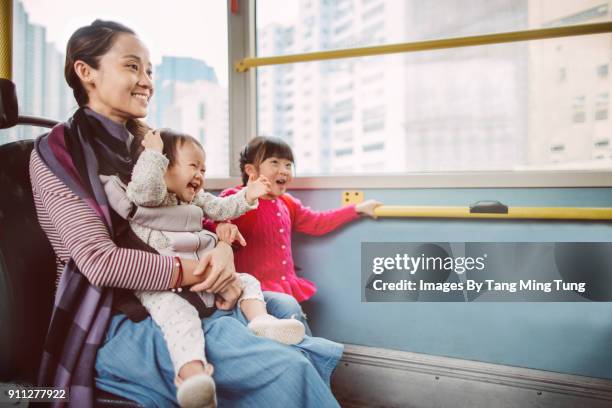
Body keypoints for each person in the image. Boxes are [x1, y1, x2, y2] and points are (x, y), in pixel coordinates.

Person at [31, 20, 343, 408]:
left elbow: (197, 209)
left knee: (284, 306)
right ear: (85, 71)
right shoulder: (56, 155)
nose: (146, 80)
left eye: (150, 70)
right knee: (288, 367)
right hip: (122, 311)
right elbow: (100, 262)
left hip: (190, 283)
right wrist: (204, 271)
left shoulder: (154, 143)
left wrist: (223, 250)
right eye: (132, 66)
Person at [101, 127, 306, 407]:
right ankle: (193, 377)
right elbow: (145, 188)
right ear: (163, 167)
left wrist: (249, 194)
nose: (200, 175)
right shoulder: (149, 195)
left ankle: (261, 321)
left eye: (204, 168)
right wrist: (151, 154)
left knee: (248, 281)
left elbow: (221, 208)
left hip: (200, 273)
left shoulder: (193, 199)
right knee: (180, 318)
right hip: (160, 284)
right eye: (193, 166)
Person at [221, 137, 381, 307]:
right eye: (275, 162)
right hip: (251, 293)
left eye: (288, 165)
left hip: (284, 288)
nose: (284, 170)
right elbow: (214, 216)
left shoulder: (287, 203)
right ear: (250, 170)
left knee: (294, 323)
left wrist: (357, 209)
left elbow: (317, 223)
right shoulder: (236, 197)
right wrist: (222, 225)